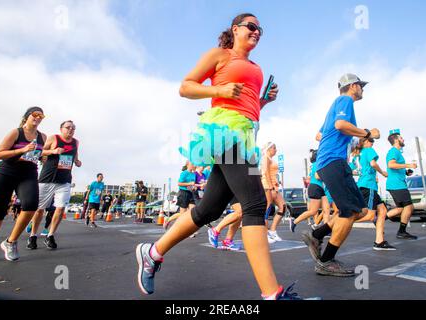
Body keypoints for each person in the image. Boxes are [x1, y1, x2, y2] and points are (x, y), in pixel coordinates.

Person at [135, 13, 315, 300]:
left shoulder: (255, 68)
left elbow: (247, 108)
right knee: (255, 203)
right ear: (236, 29)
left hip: (244, 137)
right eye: (252, 27)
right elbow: (185, 86)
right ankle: (273, 295)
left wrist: (263, 101)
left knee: (208, 210)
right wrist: (219, 89)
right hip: (222, 133)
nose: (257, 32)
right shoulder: (220, 55)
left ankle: (153, 253)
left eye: (261, 30)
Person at [302, 73, 380, 277]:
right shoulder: (345, 100)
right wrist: (367, 133)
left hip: (332, 161)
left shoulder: (334, 107)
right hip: (333, 161)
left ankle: (316, 234)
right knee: (349, 211)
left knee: (361, 211)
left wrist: (349, 141)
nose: (362, 89)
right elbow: (341, 126)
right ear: (353, 86)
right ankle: (326, 261)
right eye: (361, 86)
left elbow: (320, 134)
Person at [0, 106, 48, 262]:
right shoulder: (16, 132)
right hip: (6, 171)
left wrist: (42, 158)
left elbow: (39, 154)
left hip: (28, 173)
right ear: (27, 116)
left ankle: (10, 242)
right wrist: (21, 150)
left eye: (41, 116)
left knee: (31, 205)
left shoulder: (43, 137)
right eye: (35, 115)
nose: (38, 118)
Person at [27, 120, 81, 250]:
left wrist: (78, 161)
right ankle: (33, 235)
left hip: (64, 180)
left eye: (73, 128)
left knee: (60, 208)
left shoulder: (76, 142)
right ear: (61, 128)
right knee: (40, 209)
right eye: (68, 127)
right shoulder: (53, 138)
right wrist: (53, 151)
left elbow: (75, 156)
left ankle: (50, 235)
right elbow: (40, 152)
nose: (71, 130)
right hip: (47, 178)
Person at [354, 137, 396, 250]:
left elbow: (355, 170)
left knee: (382, 211)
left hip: (365, 185)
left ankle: (379, 242)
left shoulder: (359, 155)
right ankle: (342, 223)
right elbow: (373, 164)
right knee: (370, 215)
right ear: (365, 142)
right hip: (368, 185)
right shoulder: (368, 150)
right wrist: (382, 172)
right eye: (371, 140)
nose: (373, 143)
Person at [385, 129, 418, 239]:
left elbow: (396, 167)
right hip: (397, 185)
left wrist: (406, 172)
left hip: (397, 184)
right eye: (401, 137)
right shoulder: (393, 151)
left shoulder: (397, 152)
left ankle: (379, 218)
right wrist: (409, 165)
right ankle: (402, 232)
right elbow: (391, 165)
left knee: (400, 209)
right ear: (396, 140)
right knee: (409, 207)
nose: (403, 139)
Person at [289, 149, 330, 233]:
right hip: (315, 187)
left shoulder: (315, 164)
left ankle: (326, 230)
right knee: (313, 211)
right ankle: (294, 221)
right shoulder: (318, 163)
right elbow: (317, 176)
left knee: (327, 209)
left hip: (318, 188)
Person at [261, 142, 286, 243]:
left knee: (283, 207)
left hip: (274, 186)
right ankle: (265, 234)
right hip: (268, 185)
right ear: (268, 149)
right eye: (274, 148)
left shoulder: (271, 159)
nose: (276, 150)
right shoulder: (265, 158)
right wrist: (271, 187)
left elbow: (272, 173)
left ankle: (272, 231)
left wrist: (277, 183)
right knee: (268, 208)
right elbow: (266, 172)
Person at [163, 162, 196, 229]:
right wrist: (189, 183)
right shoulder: (184, 173)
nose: (193, 165)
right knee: (182, 214)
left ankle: (188, 229)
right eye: (192, 164)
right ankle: (168, 219)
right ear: (188, 165)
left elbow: (193, 184)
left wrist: (194, 187)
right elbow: (179, 183)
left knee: (192, 213)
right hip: (183, 193)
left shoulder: (193, 174)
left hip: (191, 193)